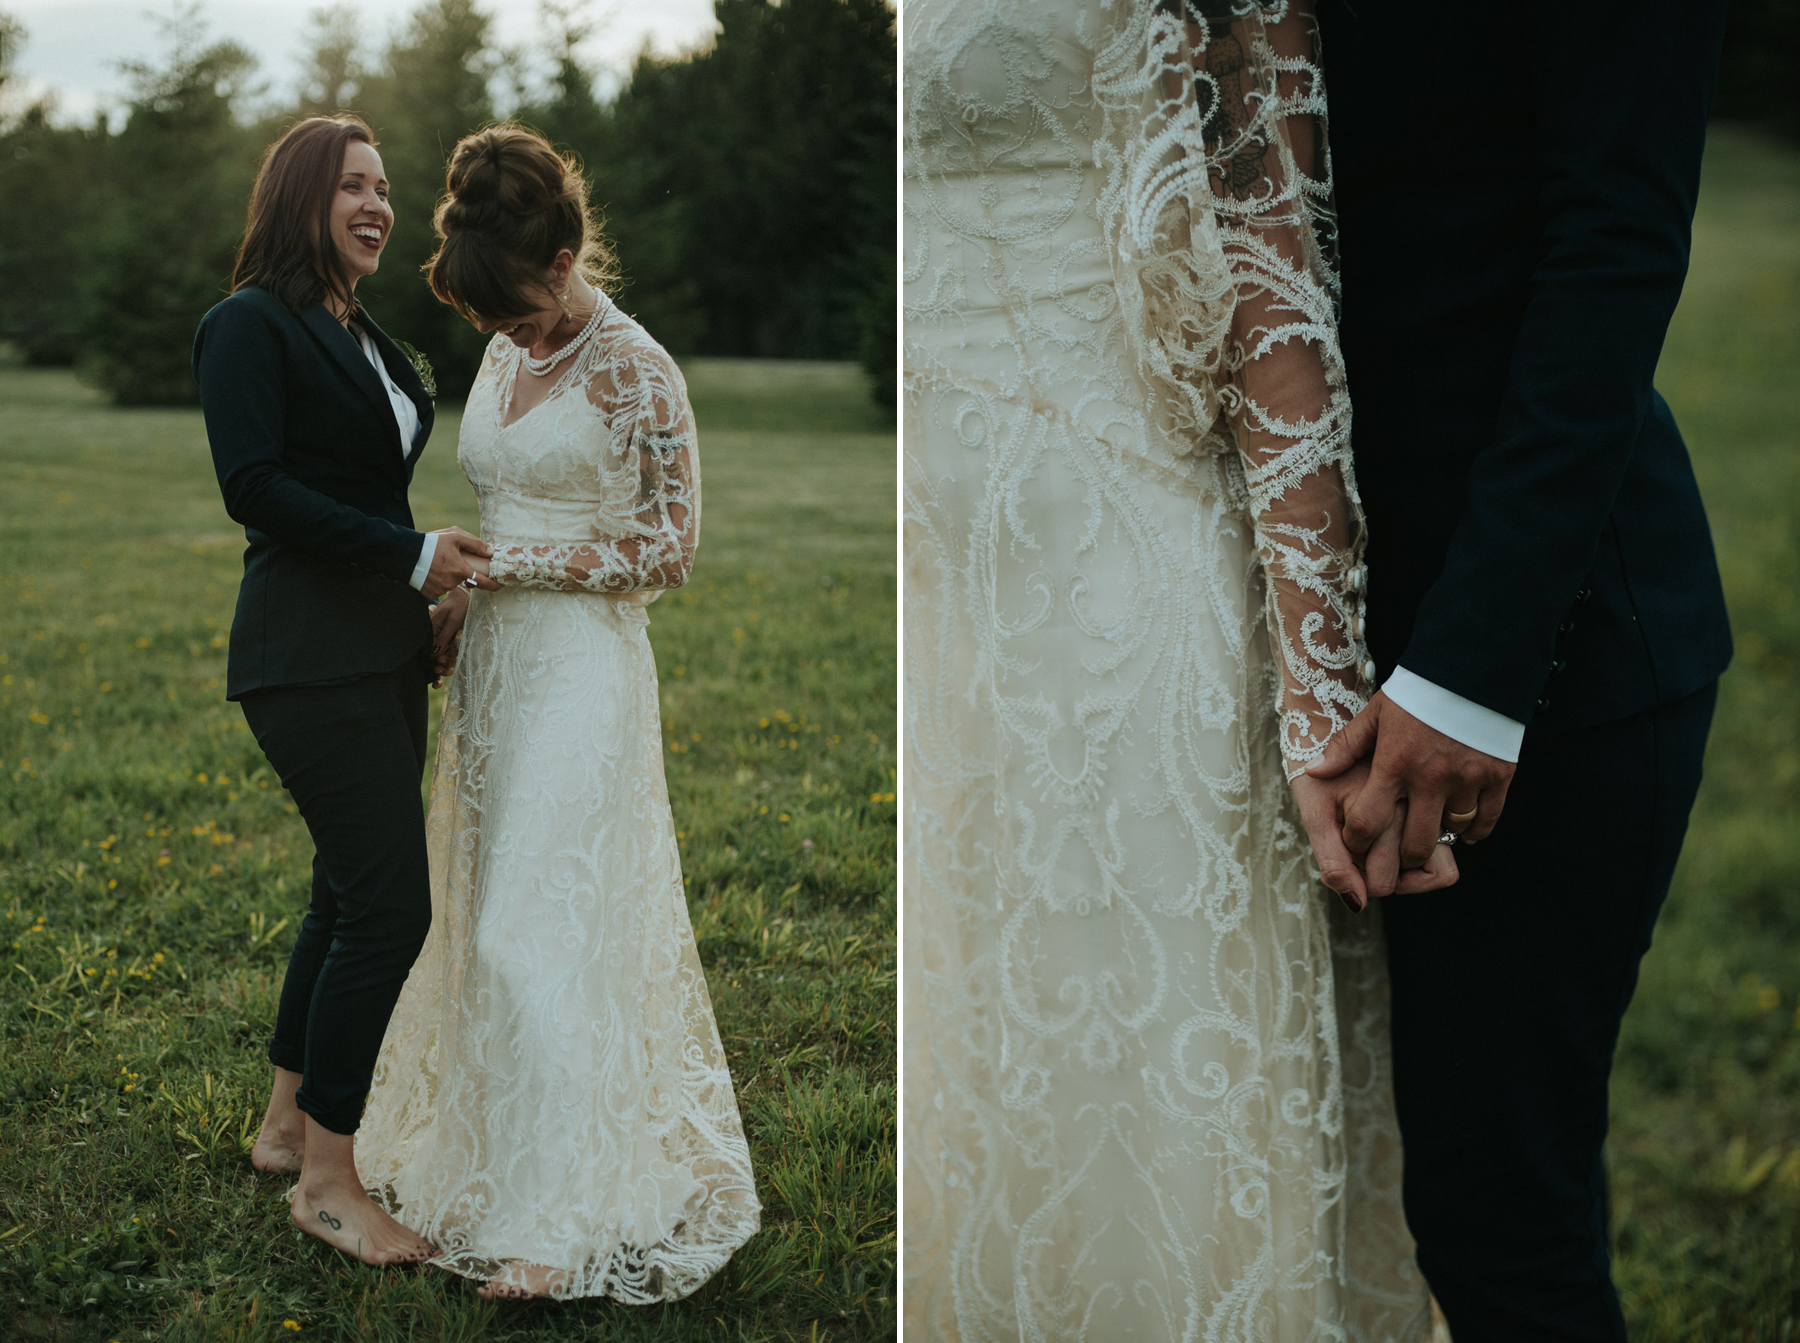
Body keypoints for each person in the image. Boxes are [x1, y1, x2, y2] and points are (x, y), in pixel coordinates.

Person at [903, 1, 1453, 1337]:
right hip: (923, 550)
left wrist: (1321, 679)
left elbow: (1274, 258)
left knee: (1125, 1093)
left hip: (1106, 548)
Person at [1307, 4, 1734, 1339]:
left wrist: (1469, 674)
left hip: (1536, 657)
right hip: (1260, 641)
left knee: (1500, 1222)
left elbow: (1615, 239)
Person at [353, 124, 761, 1303]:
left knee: (536, 925)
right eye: (492, 321)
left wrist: (502, 572)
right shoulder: (498, 349)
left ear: (571, 252)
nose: (512, 336)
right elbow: (500, 494)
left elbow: (670, 547)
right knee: (481, 917)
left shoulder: (639, 369)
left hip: (583, 671)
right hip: (494, 676)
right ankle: (503, 1162)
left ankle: (560, 1217)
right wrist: (463, 608)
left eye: (524, 312)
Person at [193, 114, 498, 1266]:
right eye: (352, 187)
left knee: (341, 894)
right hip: (302, 655)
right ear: (301, 197)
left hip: (378, 649)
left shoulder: (367, 330)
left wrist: (412, 599)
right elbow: (255, 485)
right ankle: (329, 1180)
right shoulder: (246, 324)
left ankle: (284, 1125)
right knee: (390, 908)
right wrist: (412, 556)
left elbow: (360, 481)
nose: (377, 204)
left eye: (385, 187)